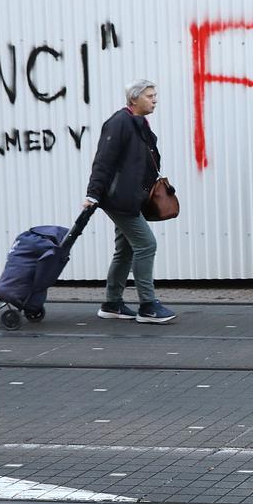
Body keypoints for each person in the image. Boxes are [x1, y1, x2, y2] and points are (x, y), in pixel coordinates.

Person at [84, 79, 176, 324]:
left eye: (155, 95)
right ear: (133, 99)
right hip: (120, 199)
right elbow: (103, 160)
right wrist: (92, 194)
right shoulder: (119, 122)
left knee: (124, 250)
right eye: (149, 95)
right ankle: (148, 305)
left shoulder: (139, 122)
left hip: (132, 198)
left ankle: (112, 303)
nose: (155, 99)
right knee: (146, 244)